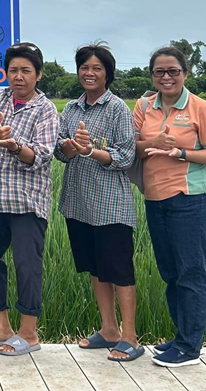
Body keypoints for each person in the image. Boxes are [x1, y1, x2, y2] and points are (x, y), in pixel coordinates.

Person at [0, 42, 58, 357]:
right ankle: (0, 327)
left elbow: (41, 156)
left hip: (27, 199)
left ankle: (28, 333)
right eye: (13, 70)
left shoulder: (45, 109)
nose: (19, 77)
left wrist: (12, 144)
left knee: (26, 263)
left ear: (38, 74)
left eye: (26, 71)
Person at [136, 46, 206, 368]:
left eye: (173, 70)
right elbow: (132, 144)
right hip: (154, 197)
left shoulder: (201, 108)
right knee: (170, 273)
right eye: (159, 71)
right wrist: (153, 144)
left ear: (185, 73)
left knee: (191, 272)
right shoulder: (145, 106)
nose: (166, 77)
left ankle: (190, 347)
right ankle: (180, 336)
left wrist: (182, 154)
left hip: (191, 199)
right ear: (153, 76)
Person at [54, 43, 142, 362]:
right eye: (84, 68)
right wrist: (68, 147)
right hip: (78, 203)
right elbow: (59, 153)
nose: (89, 73)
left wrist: (90, 151)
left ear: (108, 74)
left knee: (119, 271)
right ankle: (108, 331)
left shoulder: (117, 108)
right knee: (95, 268)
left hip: (111, 205)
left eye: (97, 68)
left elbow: (124, 155)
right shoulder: (71, 109)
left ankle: (130, 336)